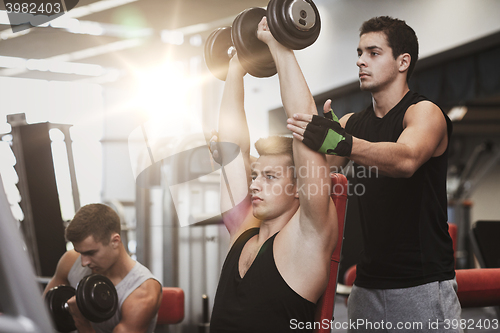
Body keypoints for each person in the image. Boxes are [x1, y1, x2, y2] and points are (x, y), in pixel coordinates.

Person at [286, 16, 461, 332]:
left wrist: (344, 143)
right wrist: (316, 148)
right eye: (359, 52)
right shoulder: (352, 123)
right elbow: (315, 181)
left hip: (422, 284)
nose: (360, 61)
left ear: (403, 61)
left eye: (373, 53)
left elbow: (405, 160)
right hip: (366, 286)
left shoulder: (423, 112)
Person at [208, 18, 339, 333]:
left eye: (269, 177)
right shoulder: (243, 230)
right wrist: (236, 66)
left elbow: (304, 125)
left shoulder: (306, 239)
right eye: (256, 175)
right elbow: (232, 147)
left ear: (298, 188)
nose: (254, 184)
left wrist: (279, 46)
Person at [44, 203, 162, 333]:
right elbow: (40, 310)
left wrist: (81, 321)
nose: (83, 262)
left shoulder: (142, 292)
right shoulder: (71, 260)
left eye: (90, 253)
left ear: (115, 241)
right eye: (80, 252)